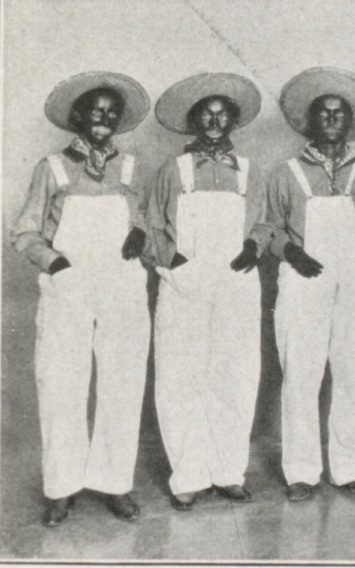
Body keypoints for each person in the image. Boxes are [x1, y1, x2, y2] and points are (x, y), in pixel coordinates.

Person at [12, 71, 151, 526]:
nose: (104, 119)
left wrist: (139, 236)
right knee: (60, 381)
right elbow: (25, 232)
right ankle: (62, 487)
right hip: (69, 285)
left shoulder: (130, 167)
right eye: (96, 110)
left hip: (122, 283)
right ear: (78, 117)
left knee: (122, 380)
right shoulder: (52, 167)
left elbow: (148, 221)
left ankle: (114, 483)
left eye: (112, 112)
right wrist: (56, 265)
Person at [148, 72, 273, 510]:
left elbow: (265, 221)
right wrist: (175, 262)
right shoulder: (173, 170)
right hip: (184, 283)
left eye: (223, 113)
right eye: (207, 112)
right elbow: (151, 227)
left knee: (235, 373)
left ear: (233, 121)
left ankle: (227, 471)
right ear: (194, 120)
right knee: (180, 374)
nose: (215, 120)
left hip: (237, 281)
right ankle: (187, 474)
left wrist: (255, 247)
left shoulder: (250, 172)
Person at [267, 67, 355, 501]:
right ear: (310, 121)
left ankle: (348, 467)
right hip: (303, 279)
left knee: (351, 375)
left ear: (349, 123)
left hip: (354, 283)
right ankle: (301, 470)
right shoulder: (286, 173)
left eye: (340, 114)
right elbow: (268, 227)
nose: (332, 119)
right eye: (324, 113)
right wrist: (291, 253)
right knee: (301, 373)